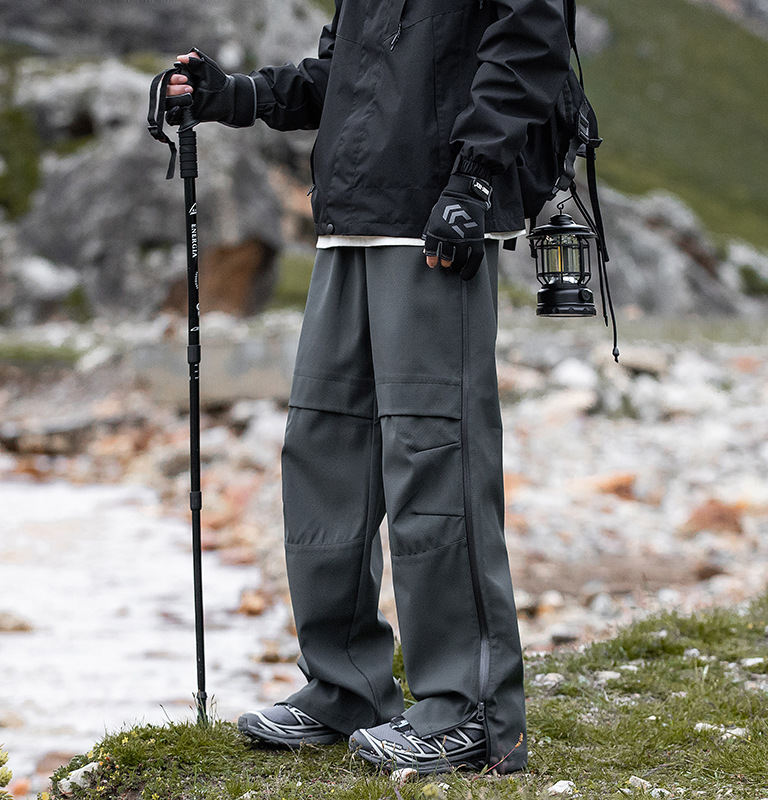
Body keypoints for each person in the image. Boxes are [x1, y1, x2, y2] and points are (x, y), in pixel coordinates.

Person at [164, 0, 570, 775]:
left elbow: (531, 44)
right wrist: (234, 96)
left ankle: (470, 709)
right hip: (351, 220)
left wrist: (476, 177)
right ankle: (345, 686)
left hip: (435, 222)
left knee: (434, 459)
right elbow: (340, 77)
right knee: (324, 453)